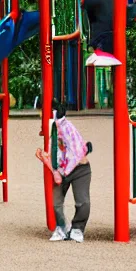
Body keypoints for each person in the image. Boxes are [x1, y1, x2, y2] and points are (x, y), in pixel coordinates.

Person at [42, 102, 92, 243]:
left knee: (82, 201)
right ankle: (62, 227)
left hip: (79, 169)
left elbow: (76, 152)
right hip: (60, 169)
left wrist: (60, 171)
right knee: (55, 201)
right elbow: (53, 150)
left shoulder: (66, 127)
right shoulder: (52, 129)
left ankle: (77, 228)